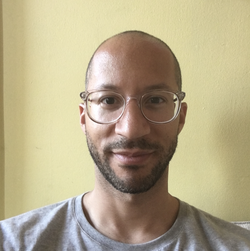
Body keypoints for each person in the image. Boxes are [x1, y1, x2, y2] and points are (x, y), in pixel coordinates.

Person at [0, 30, 249, 251]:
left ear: (180, 118)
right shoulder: (11, 242)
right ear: (84, 117)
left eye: (155, 100)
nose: (131, 130)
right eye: (108, 100)